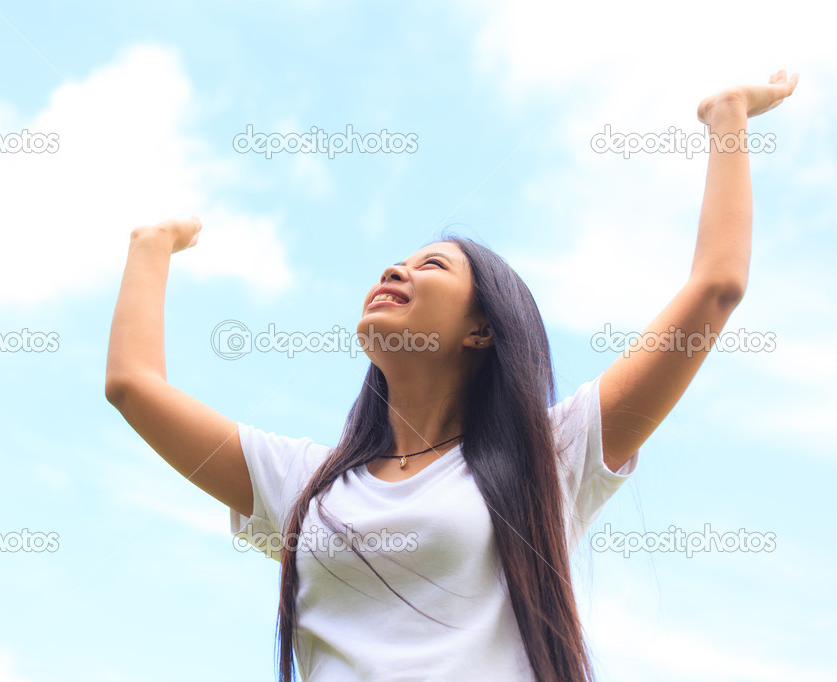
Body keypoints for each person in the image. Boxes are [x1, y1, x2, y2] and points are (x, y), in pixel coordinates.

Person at [104, 69, 799, 682]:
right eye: (394, 262)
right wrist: (151, 247)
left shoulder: (548, 458)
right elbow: (133, 386)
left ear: (481, 329)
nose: (394, 269)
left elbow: (715, 288)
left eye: (430, 266)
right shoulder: (303, 486)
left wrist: (726, 116)